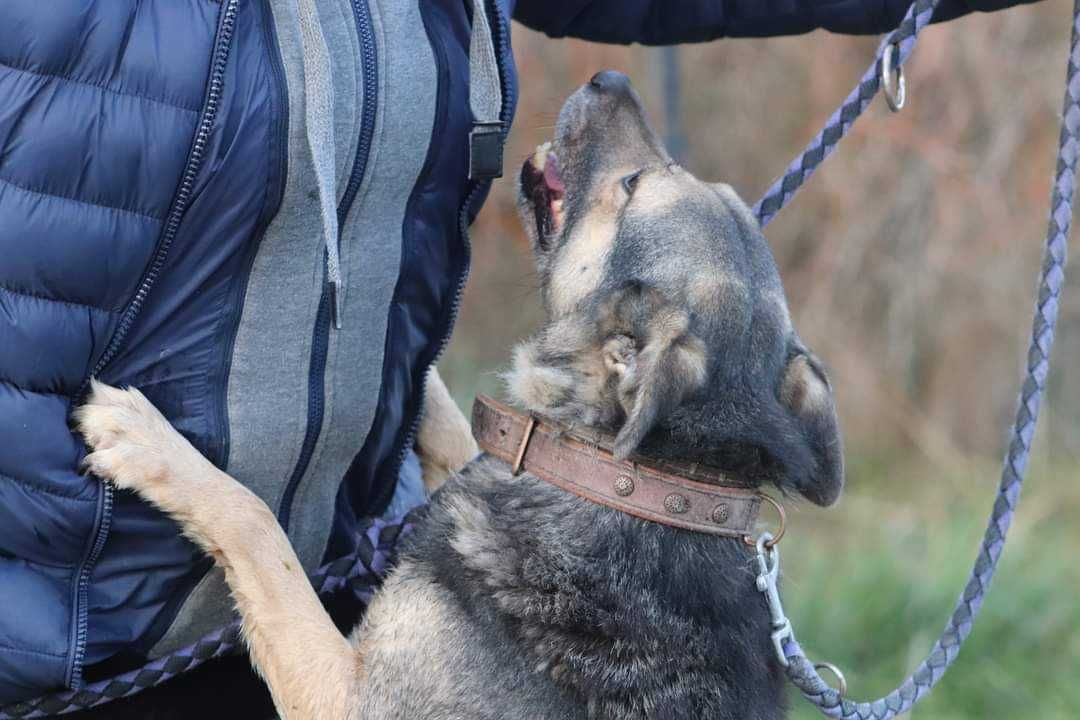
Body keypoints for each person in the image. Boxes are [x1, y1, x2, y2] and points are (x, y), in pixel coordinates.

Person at [0, 0, 1040, 705]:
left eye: (635, 187)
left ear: (634, 370)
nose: (612, 103)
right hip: (60, 628)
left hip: (311, 593)